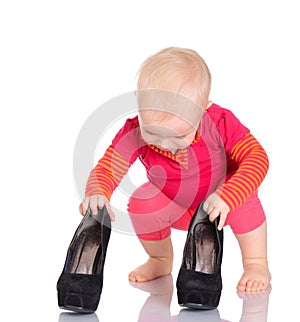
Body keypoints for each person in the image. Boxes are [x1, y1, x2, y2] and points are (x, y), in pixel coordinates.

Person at [79, 47, 271, 292]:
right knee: (141, 202)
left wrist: (228, 195)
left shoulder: (220, 122)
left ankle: (256, 263)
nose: (163, 144)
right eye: (152, 133)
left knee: (244, 198)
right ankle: (160, 259)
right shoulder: (134, 131)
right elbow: (107, 168)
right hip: (176, 207)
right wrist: (97, 191)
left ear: (204, 110)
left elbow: (257, 158)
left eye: (178, 135)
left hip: (221, 208)